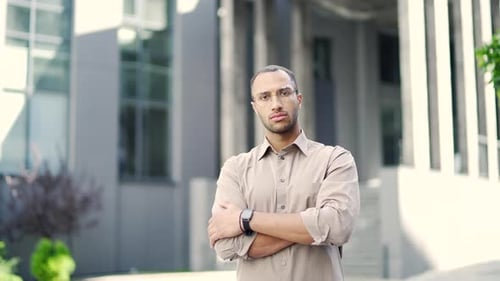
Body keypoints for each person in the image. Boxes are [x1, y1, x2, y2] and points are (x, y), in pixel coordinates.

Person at [207, 65, 360, 281]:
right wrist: (310, 224)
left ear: (299, 99)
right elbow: (225, 246)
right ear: (255, 107)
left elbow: (337, 226)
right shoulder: (235, 169)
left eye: (284, 93)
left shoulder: (334, 159)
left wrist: (245, 219)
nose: (276, 104)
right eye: (264, 97)